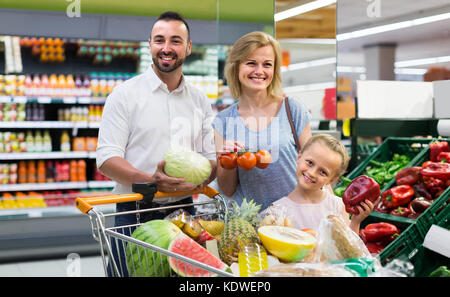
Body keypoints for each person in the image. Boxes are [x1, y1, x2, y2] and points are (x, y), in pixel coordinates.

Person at [96, 11, 216, 276]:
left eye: (175, 40)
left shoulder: (200, 100)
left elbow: (210, 158)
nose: (166, 48)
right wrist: (151, 179)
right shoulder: (124, 95)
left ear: (188, 47)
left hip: (184, 211)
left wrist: (206, 175)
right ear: (149, 44)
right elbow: (106, 159)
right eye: (159, 40)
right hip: (134, 209)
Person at [212, 31, 312, 211]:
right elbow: (227, 190)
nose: (259, 71)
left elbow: (314, 167)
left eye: (267, 64)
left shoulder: (292, 109)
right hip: (251, 224)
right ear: (236, 67)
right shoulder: (223, 121)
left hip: (298, 218)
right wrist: (228, 162)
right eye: (251, 63)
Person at [272, 134, 377, 234]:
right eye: (310, 163)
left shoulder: (337, 206)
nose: (312, 173)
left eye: (323, 172)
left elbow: (349, 250)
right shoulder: (277, 211)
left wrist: (355, 222)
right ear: (299, 157)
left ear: (331, 180)